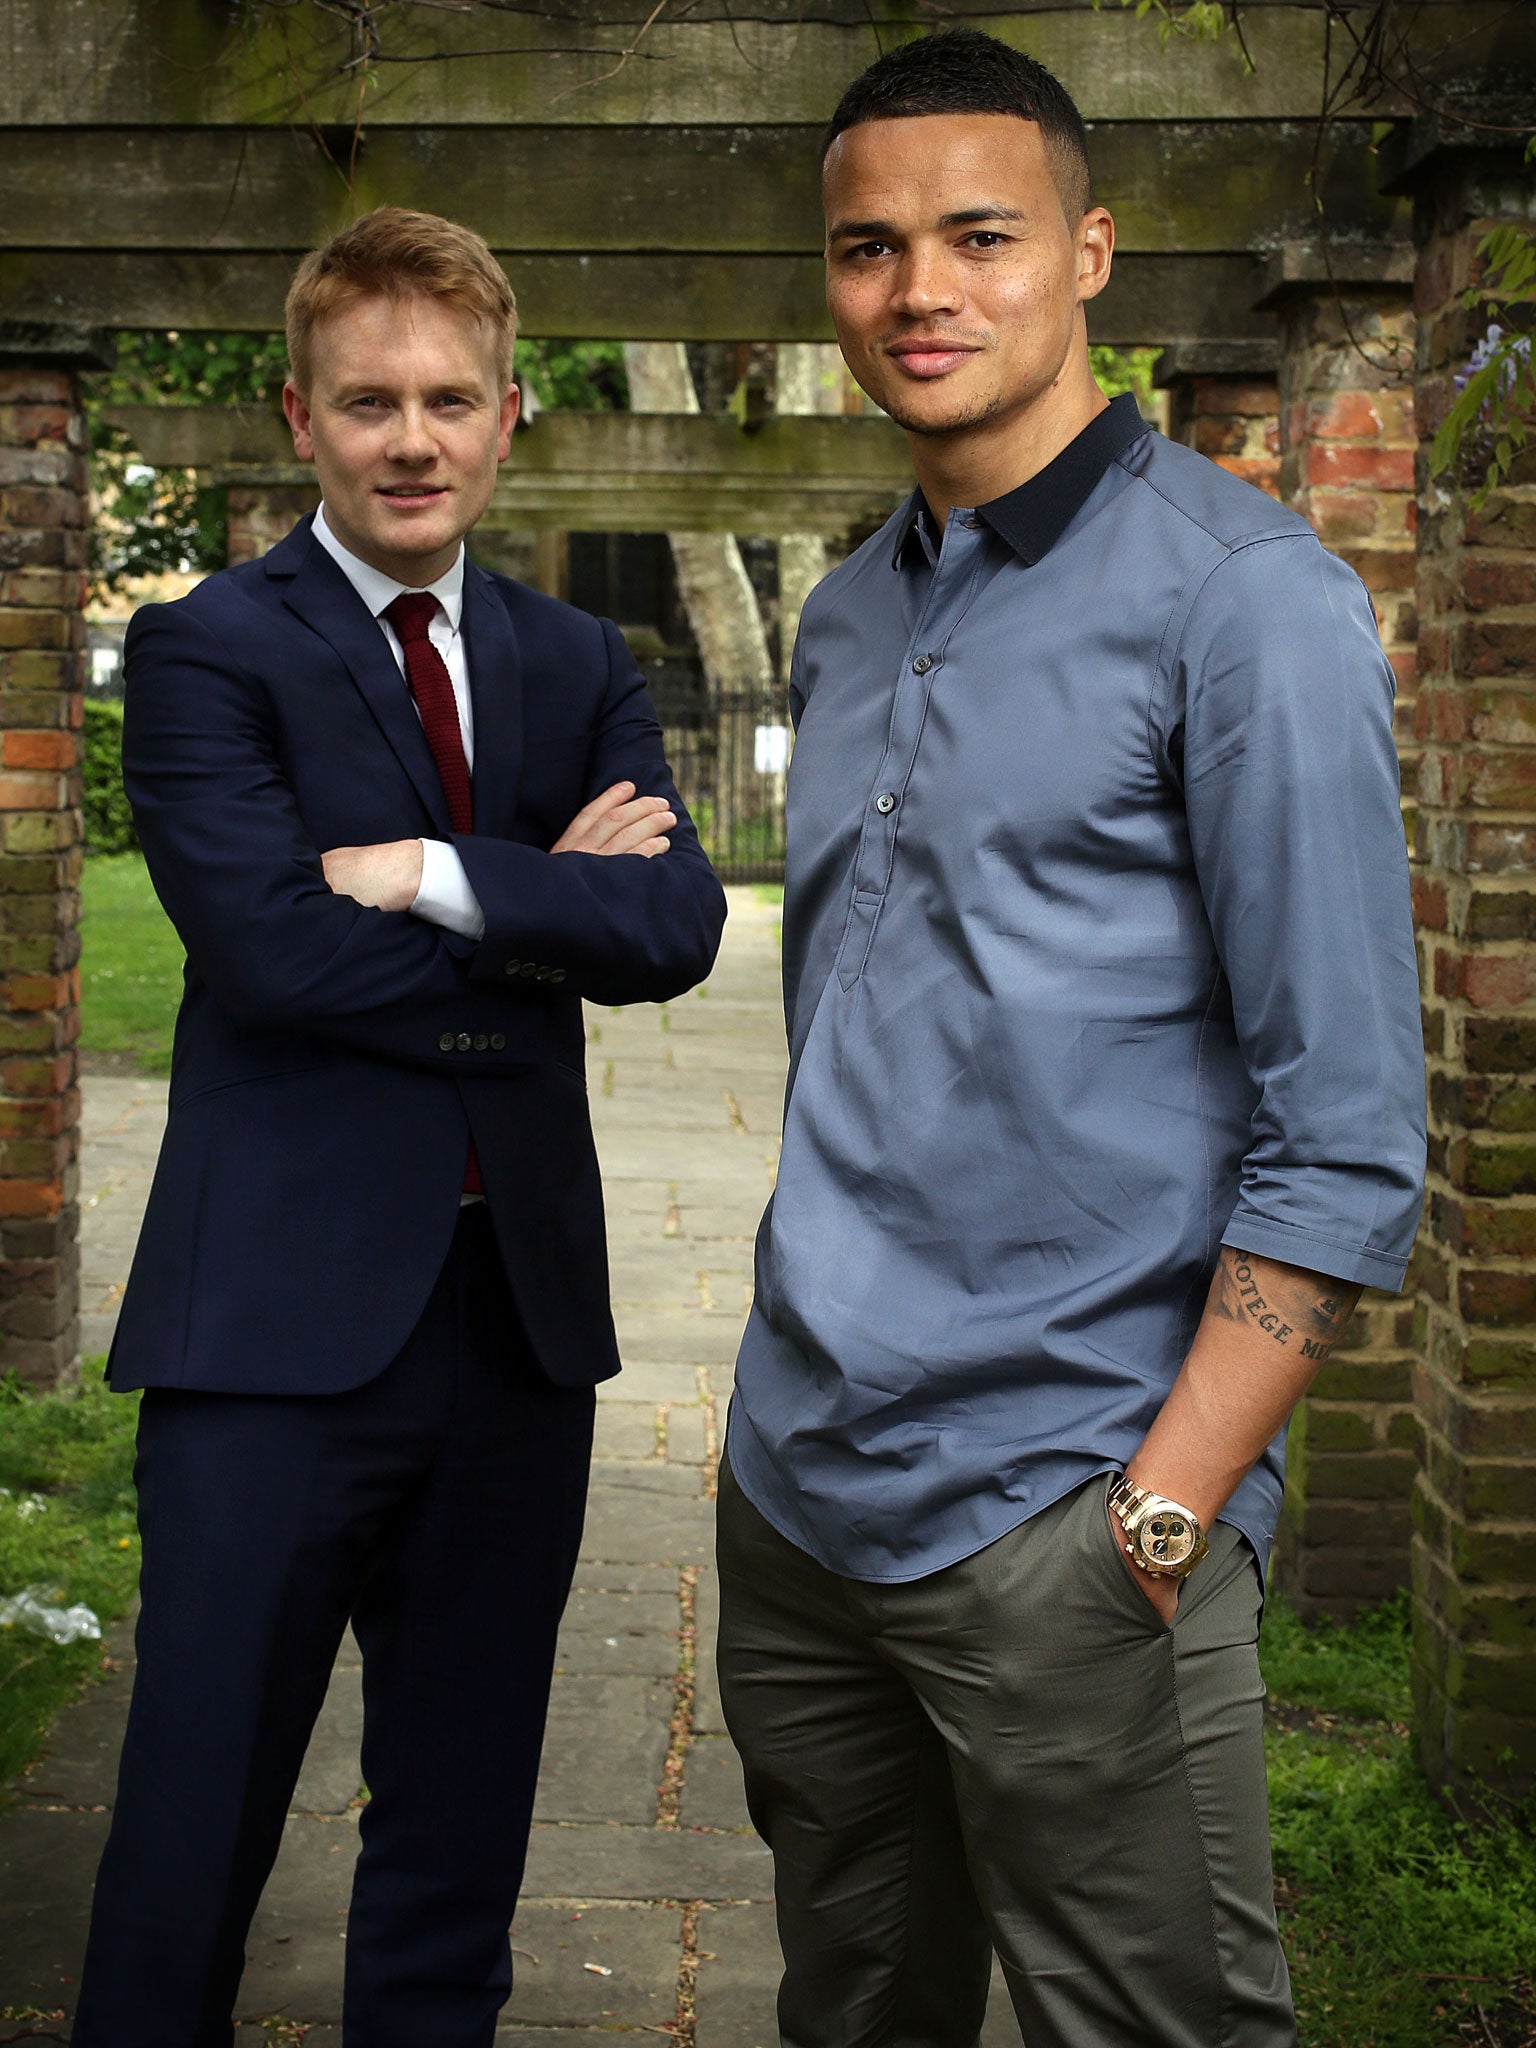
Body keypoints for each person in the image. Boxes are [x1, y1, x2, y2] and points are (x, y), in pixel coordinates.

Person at [715, 30, 1425, 2048]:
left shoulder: (1245, 605)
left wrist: (1164, 1510)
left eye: (979, 235)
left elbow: (1350, 1122)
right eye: (868, 249)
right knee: (858, 2010)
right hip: (797, 1498)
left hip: (1067, 1510)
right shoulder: (851, 612)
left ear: (1089, 253)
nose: (919, 289)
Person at [72, 207, 726, 2048]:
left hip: (513, 1337)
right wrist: (537, 921)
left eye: (450, 400)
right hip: (272, 1338)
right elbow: (268, 954)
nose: (413, 440)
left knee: (457, 1848)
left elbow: (674, 928)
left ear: (512, 415)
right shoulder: (211, 649)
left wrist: (437, 872)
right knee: (193, 1825)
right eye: (371, 404)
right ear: (301, 417)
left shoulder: (576, 659)